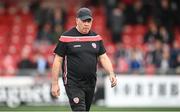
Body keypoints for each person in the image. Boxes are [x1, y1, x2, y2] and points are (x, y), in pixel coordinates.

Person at [51, 7, 117, 111]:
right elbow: (57, 60)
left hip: (90, 82)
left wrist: (111, 73)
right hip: (73, 83)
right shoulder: (66, 38)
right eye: (83, 21)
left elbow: (103, 57)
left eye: (88, 21)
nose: (86, 24)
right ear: (77, 20)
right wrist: (54, 83)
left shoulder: (96, 38)